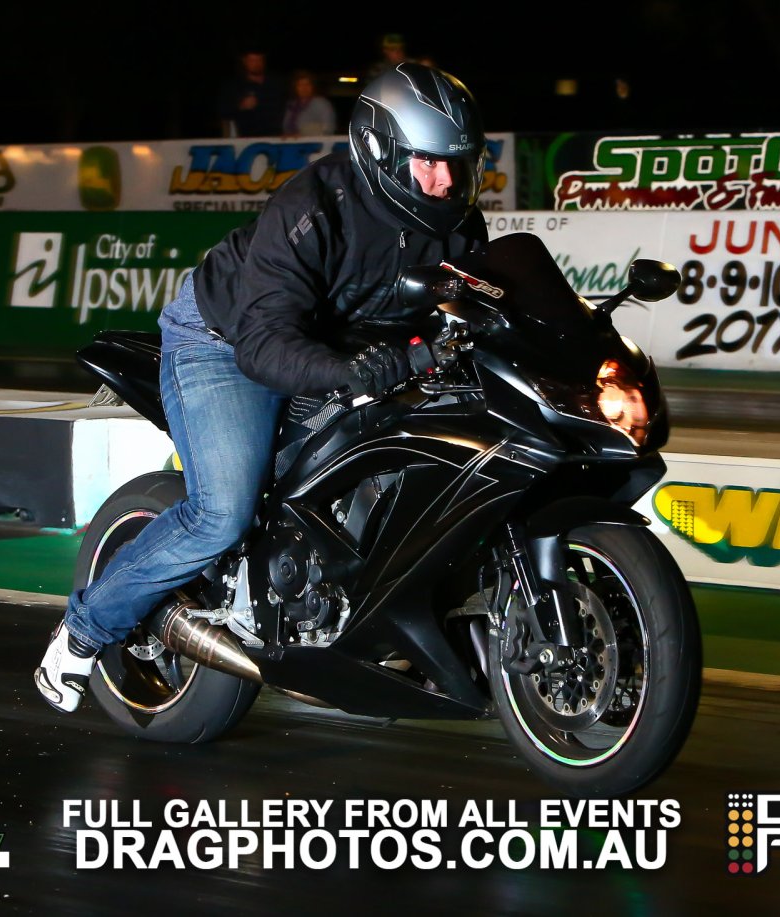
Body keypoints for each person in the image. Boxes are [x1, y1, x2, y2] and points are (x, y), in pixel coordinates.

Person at [35, 62, 489, 713]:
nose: (446, 180)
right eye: (429, 163)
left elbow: (483, 305)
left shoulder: (458, 226)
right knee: (221, 512)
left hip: (345, 350)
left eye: (458, 163)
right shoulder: (312, 209)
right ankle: (83, 631)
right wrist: (356, 372)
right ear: (381, 150)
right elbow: (264, 345)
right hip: (226, 342)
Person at [216, 48, 287, 137]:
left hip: (278, 135)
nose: (256, 63)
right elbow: (223, 112)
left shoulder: (276, 82)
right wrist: (241, 106)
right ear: (244, 61)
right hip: (248, 138)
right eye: (252, 60)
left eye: (259, 59)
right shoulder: (234, 85)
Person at [283, 70, 337, 137]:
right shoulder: (291, 105)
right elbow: (286, 128)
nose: (304, 88)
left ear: (313, 86)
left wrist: (303, 134)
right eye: (300, 85)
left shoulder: (322, 104)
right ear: (295, 88)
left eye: (307, 84)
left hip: (315, 145)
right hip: (292, 145)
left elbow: (329, 128)